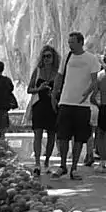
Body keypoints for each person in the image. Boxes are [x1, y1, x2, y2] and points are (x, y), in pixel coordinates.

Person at [53, 30, 101, 180]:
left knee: (79, 138)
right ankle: (62, 166)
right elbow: (59, 77)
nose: (70, 45)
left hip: (82, 105)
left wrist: (86, 93)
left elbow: (95, 81)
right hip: (66, 101)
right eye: (69, 43)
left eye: (72, 42)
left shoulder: (91, 59)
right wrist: (54, 94)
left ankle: (74, 168)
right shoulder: (67, 58)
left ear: (81, 43)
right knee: (62, 136)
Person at [26, 45, 61, 173]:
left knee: (52, 135)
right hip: (39, 106)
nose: (46, 59)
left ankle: (47, 160)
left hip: (52, 107)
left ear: (53, 58)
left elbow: (61, 90)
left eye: (49, 56)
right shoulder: (37, 71)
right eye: (44, 56)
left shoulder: (58, 73)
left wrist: (55, 94)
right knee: (38, 134)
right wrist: (39, 89)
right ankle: (36, 163)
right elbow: (29, 89)